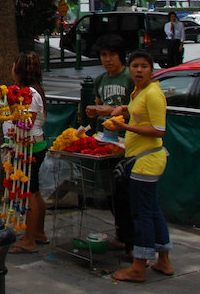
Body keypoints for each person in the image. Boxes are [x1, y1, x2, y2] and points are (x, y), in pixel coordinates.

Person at [104, 50, 173, 282]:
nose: (139, 70)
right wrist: (122, 111)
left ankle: (138, 267)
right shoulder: (139, 92)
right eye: (135, 66)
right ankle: (163, 260)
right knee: (152, 209)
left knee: (141, 214)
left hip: (147, 162)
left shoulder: (153, 94)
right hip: (142, 159)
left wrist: (125, 128)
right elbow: (137, 114)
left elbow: (159, 130)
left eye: (144, 66)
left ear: (151, 70)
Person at [85, 33, 134, 252]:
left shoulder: (130, 78)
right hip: (106, 145)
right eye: (104, 55)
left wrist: (114, 111)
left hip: (128, 145)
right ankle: (121, 234)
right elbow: (98, 106)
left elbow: (137, 109)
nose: (108, 60)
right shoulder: (100, 80)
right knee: (113, 194)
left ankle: (130, 239)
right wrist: (94, 112)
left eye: (112, 55)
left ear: (121, 57)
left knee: (125, 194)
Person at [6, 51, 49, 253]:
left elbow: (26, 121)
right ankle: (38, 232)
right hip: (33, 144)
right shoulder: (33, 90)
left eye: (14, 65)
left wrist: (6, 113)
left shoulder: (29, 93)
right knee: (35, 190)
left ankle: (29, 239)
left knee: (29, 192)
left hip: (30, 145)